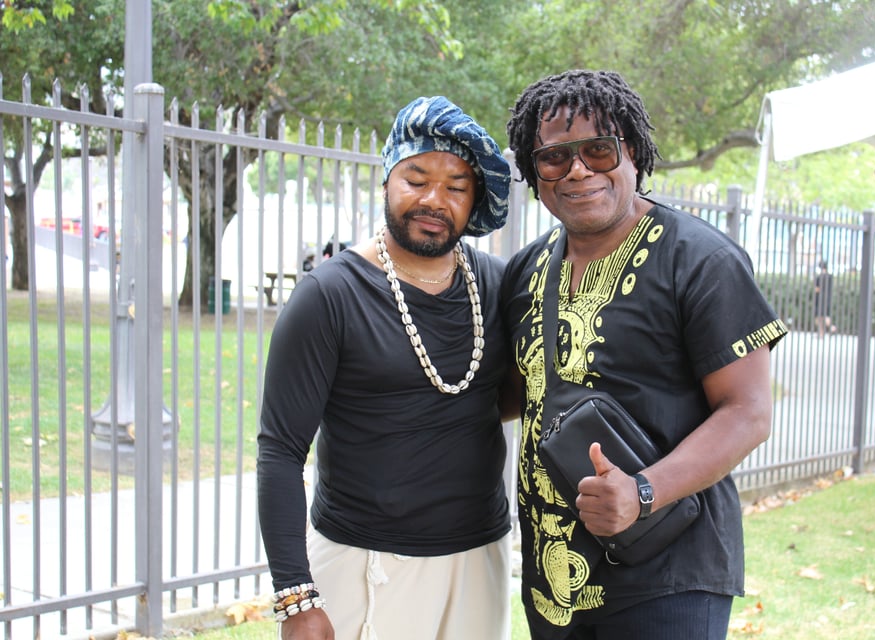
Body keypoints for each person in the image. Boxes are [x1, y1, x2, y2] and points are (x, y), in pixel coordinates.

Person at [501, 69, 789, 639]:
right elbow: (513, 395)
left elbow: (748, 412)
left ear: (631, 151)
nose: (578, 170)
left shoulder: (699, 260)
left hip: (669, 575)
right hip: (555, 581)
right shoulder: (525, 271)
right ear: (535, 174)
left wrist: (643, 491)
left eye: (598, 150)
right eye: (554, 157)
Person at [257, 95, 515, 640]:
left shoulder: (497, 286)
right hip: (362, 561)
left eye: (456, 187)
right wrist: (296, 597)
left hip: (481, 557)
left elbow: (507, 395)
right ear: (386, 181)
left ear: (474, 202)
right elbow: (280, 450)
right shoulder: (329, 296)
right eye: (415, 179)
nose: (433, 200)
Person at [814, 259, 837, 337]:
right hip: (828, 299)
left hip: (820, 299)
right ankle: (822, 333)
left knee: (818, 317)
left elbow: (817, 289)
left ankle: (831, 328)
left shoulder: (819, 277)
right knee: (825, 315)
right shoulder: (830, 277)